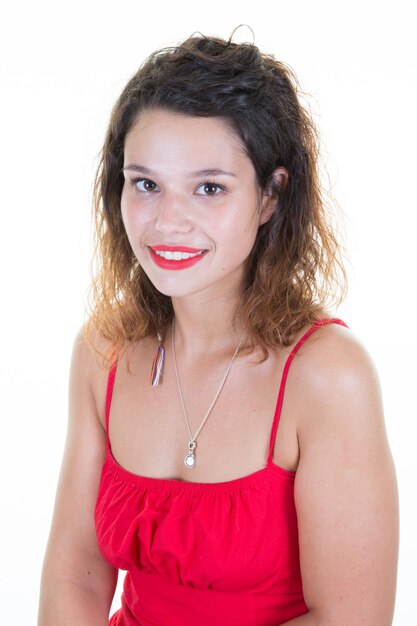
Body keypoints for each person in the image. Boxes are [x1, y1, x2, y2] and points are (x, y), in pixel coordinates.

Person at [38, 31, 399, 626]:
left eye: (209, 188)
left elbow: (350, 619)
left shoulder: (328, 375)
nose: (167, 221)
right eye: (145, 184)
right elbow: (73, 575)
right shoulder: (101, 351)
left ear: (270, 196)